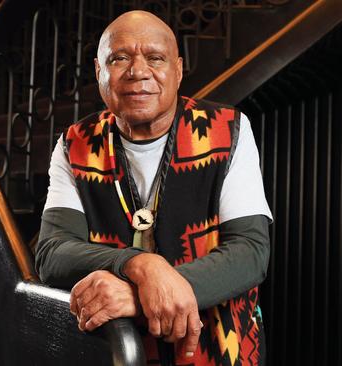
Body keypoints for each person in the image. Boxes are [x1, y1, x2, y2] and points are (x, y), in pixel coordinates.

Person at [34, 10, 272, 366]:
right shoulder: (75, 144)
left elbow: (250, 251)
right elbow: (52, 252)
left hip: (219, 348)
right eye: (119, 58)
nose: (137, 71)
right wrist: (140, 266)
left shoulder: (230, 129)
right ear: (99, 73)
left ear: (178, 70)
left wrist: (139, 294)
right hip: (115, 352)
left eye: (155, 57)